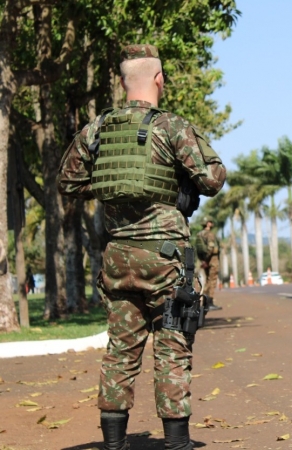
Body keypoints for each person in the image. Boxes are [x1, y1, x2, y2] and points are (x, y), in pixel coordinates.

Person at [58, 44, 226, 450]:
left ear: (121, 82)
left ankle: (114, 444)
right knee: (171, 345)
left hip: (118, 258)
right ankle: (176, 442)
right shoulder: (172, 127)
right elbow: (213, 179)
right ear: (159, 79)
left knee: (120, 350)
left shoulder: (96, 129)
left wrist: (112, 190)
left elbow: (68, 181)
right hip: (164, 257)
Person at [195, 217, 222, 311]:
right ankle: (209, 302)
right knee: (212, 280)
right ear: (207, 223)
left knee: (207, 281)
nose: (212, 223)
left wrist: (203, 260)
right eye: (210, 222)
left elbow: (198, 248)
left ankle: (205, 302)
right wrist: (207, 260)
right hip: (212, 259)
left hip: (204, 260)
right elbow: (210, 248)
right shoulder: (209, 234)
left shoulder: (200, 234)